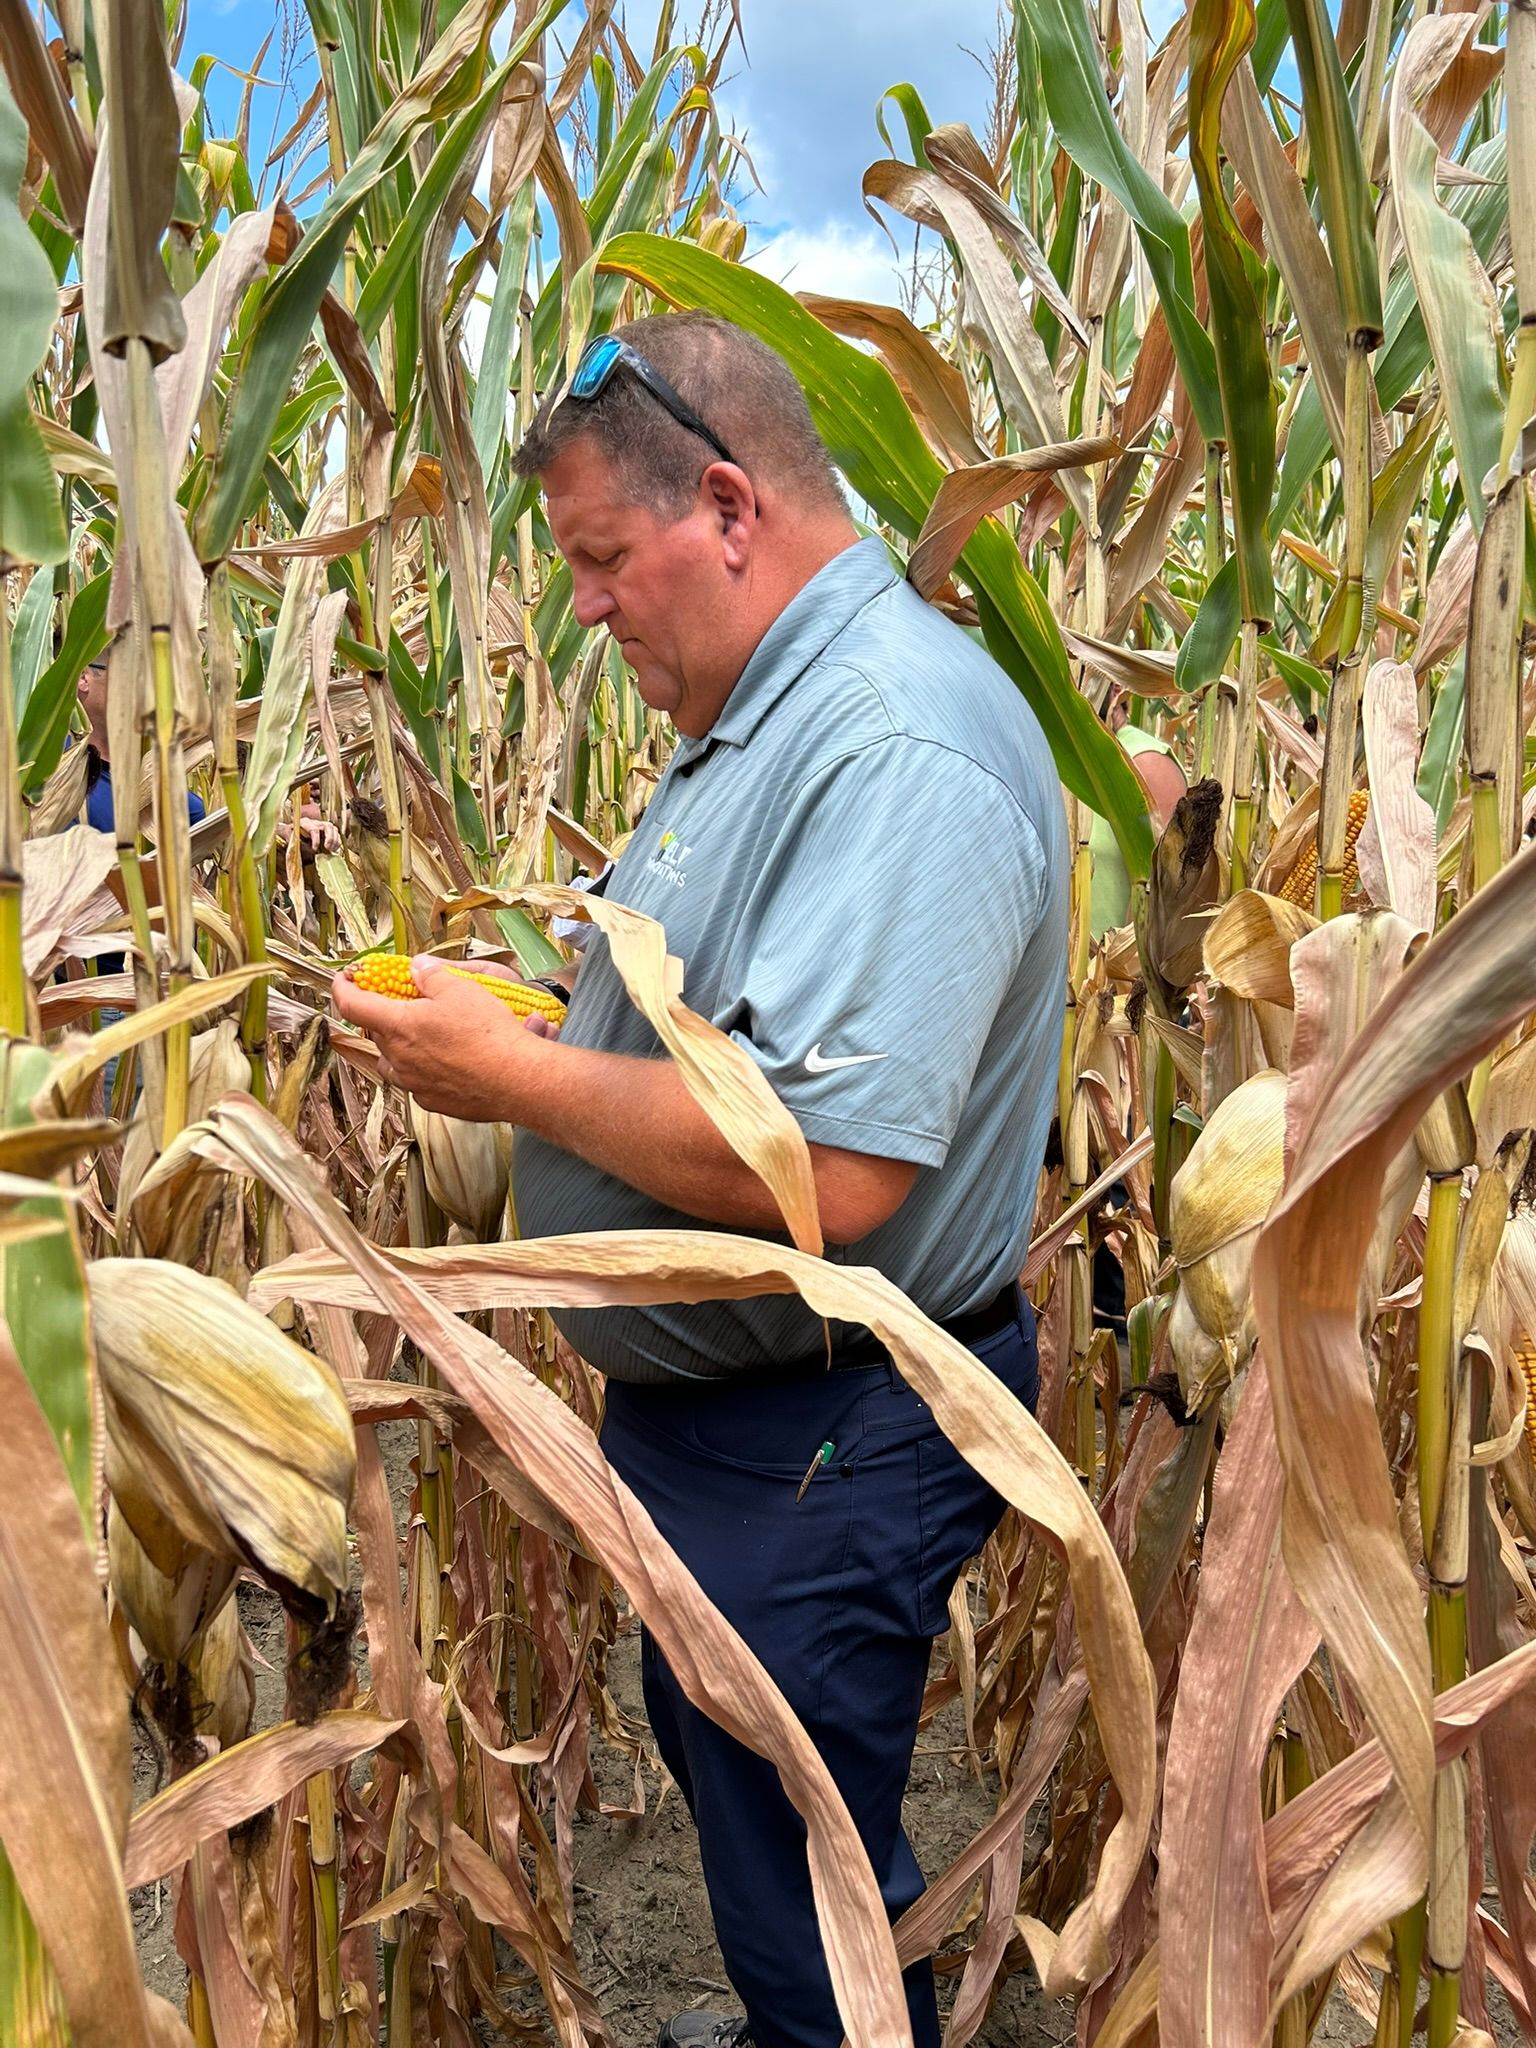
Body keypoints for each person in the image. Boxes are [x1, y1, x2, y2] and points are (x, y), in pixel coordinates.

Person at [332, 314, 1069, 2048]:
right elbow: (736, 1023)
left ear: (729, 508)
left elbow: (836, 1161)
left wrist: (506, 1077)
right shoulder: (771, 699)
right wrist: (551, 1013)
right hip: (742, 1432)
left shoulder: (894, 742)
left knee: (791, 1853)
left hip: (828, 1429)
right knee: (779, 1819)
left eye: (601, 560)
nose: (583, 607)